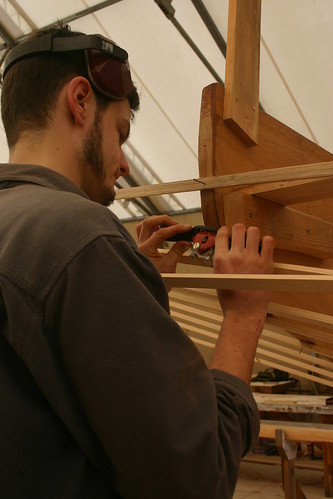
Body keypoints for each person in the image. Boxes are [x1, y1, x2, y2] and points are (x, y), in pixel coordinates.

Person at [0, 24, 274, 499]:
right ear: (81, 100)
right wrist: (244, 317)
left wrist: (132, 285)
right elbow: (196, 478)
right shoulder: (81, 238)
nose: (125, 164)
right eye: (120, 134)